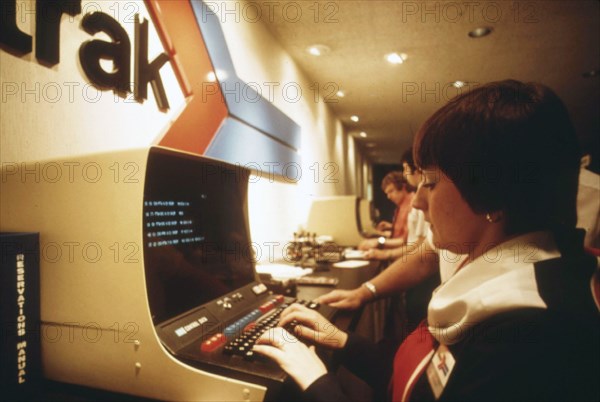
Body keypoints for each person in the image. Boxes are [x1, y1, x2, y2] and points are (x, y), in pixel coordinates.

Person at [252, 80, 600, 401]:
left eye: (430, 183)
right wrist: (340, 340)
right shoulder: (494, 259)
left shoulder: (528, 336)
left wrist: (316, 381)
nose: (417, 201)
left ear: (491, 195)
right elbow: (431, 376)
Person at [358, 171, 413, 251]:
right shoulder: (400, 206)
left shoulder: (412, 206)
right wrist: (388, 229)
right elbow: (399, 234)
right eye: (387, 193)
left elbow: (405, 241)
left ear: (403, 187)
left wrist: (379, 242)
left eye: (391, 191)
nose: (388, 197)